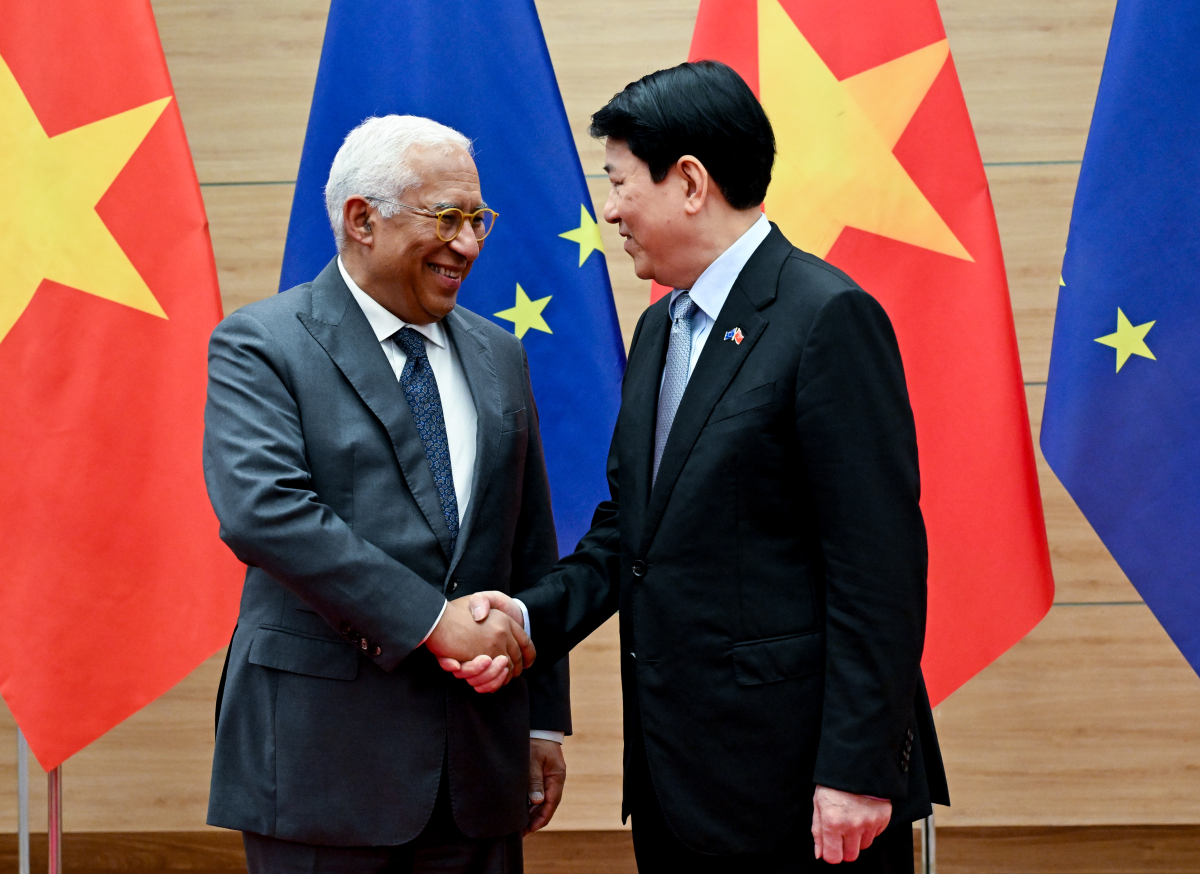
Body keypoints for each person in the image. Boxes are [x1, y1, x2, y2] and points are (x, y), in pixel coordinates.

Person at [448, 62, 949, 872]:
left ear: (688, 182)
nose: (609, 209)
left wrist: (856, 770)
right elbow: (629, 532)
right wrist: (527, 621)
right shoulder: (660, 332)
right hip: (679, 781)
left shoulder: (825, 317)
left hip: (805, 792)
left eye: (617, 183)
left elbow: (878, 568)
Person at [203, 114, 570, 874]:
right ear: (361, 220)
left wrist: (541, 726)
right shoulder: (261, 344)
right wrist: (433, 622)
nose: (467, 244)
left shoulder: (500, 354)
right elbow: (263, 512)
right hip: (321, 771)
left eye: (477, 219)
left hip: (480, 770)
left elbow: (527, 541)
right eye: (446, 217)